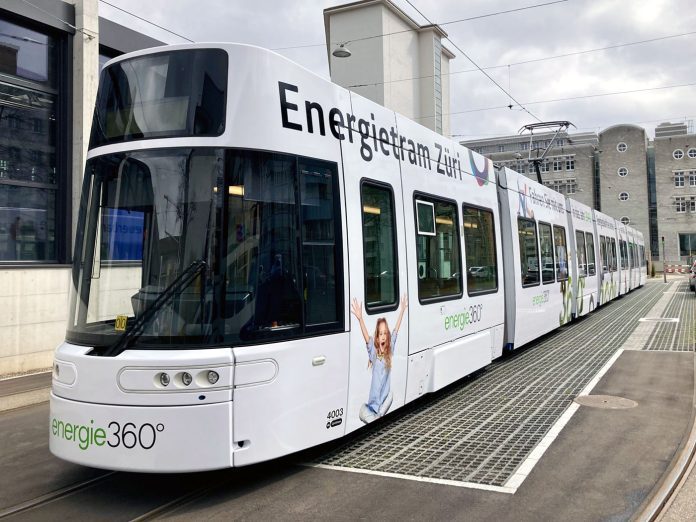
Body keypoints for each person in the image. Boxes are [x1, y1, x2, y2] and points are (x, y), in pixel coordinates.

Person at [350, 295, 408, 424]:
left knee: (391, 395)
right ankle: (373, 415)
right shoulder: (373, 354)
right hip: (374, 403)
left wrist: (402, 310)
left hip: (384, 401)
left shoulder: (390, 350)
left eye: (384, 334)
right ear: (377, 337)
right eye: (380, 334)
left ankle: (377, 416)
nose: (383, 337)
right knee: (365, 411)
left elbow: (395, 332)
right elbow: (367, 338)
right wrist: (360, 319)